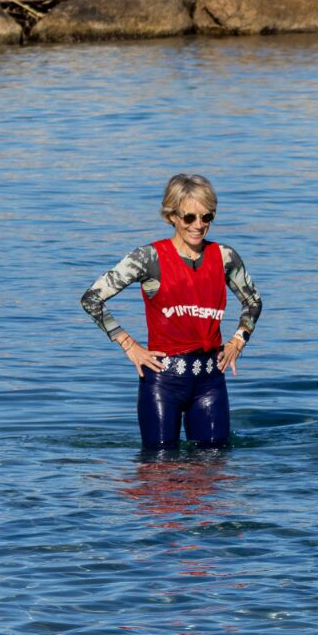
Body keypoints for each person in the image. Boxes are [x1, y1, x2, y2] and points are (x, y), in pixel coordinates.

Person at [81, 174, 262, 453]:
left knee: (215, 465)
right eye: (189, 217)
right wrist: (129, 345)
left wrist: (238, 340)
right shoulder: (148, 258)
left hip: (210, 381)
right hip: (162, 382)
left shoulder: (225, 257)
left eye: (207, 217)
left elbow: (253, 302)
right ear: (172, 216)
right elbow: (92, 299)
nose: (199, 225)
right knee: (159, 468)